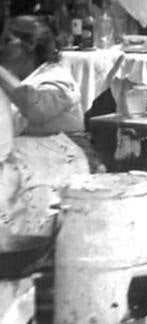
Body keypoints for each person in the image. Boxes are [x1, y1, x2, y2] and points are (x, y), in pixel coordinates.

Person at [0, 16, 92, 239]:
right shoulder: (15, 80)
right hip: (29, 158)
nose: (0, 47)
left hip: (62, 159)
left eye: (6, 41)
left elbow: (36, 109)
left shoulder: (56, 77)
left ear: (29, 46)